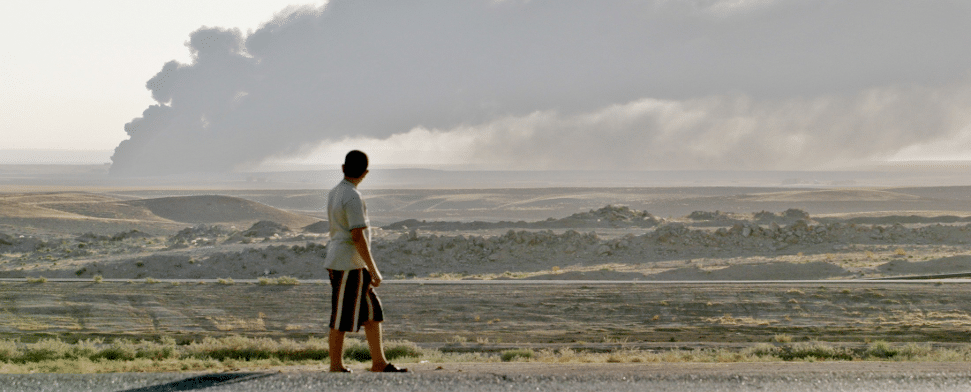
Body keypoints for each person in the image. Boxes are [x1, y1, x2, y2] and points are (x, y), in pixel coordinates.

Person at [323, 150, 408, 373]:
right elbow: (357, 235)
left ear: (343, 168)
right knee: (341, 314)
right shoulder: (352, 196)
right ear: (366, 173)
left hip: (351, 263)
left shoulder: (335, 192)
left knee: (372, 312)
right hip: (348, 264)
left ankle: (379, 362)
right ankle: (335, 365)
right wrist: (374, 269)